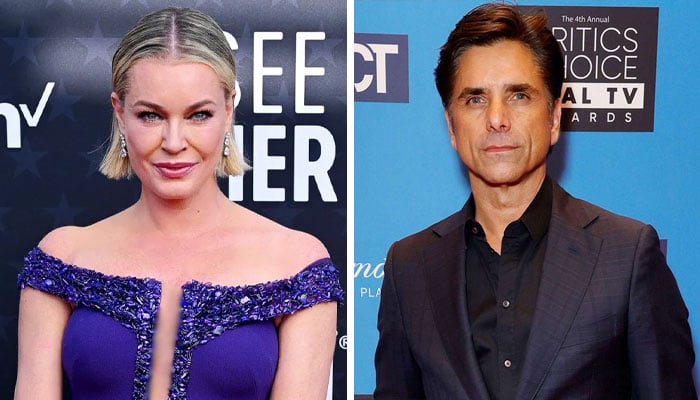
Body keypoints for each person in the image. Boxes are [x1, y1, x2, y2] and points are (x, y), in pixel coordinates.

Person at [15, 7, 342, 400]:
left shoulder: (297, 265)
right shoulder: (62, 259)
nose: (173, 142)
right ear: (120, 113)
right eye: (150, 116)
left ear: (228, 111)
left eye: (198, 115)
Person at [374, 3, 695, 399]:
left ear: (555, 117)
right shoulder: (409, 266)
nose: (497, 119)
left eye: (519, 95)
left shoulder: (626, 255)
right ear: (452, 127)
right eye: (475, 99)